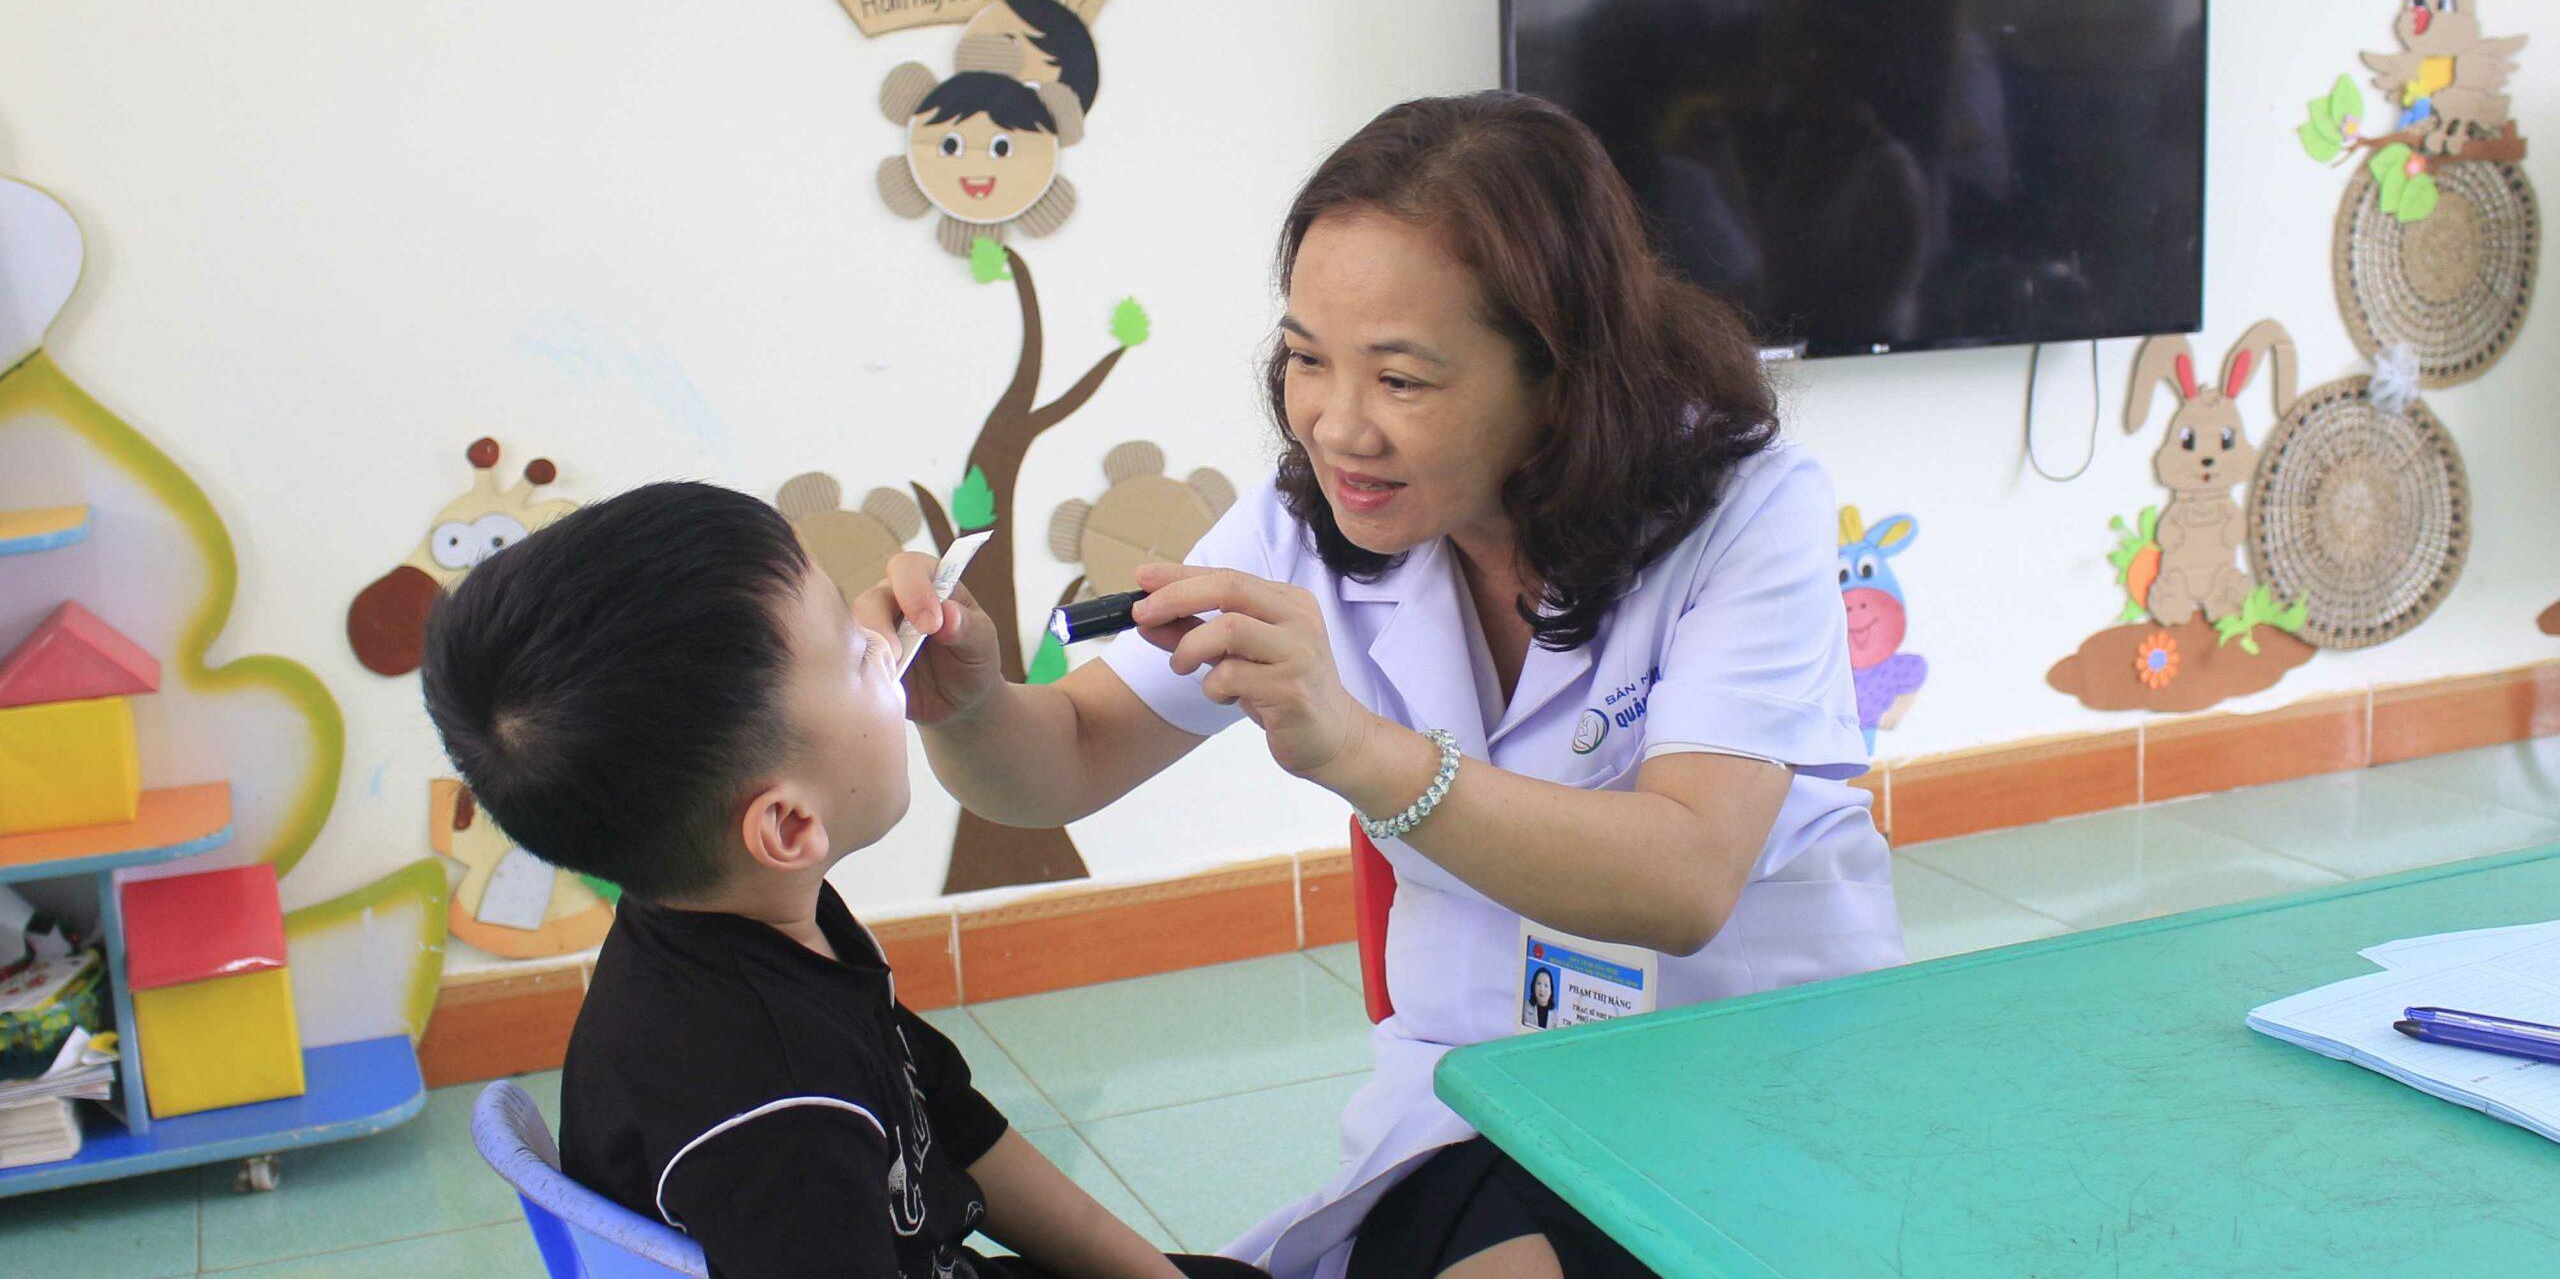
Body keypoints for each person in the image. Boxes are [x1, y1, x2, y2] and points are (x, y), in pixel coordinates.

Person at [867, 91, 1904, 1279]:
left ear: (1558, 373)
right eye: (1307, 359)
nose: (1336, 427)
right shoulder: (1309, 520)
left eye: (1401, 380)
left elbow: (1684, 878)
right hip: (1477, 1097)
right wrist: (969, 704)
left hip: (1749, 1079)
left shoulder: (1744, 507)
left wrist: (1358, 748)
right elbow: (1065, 758)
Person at [419, 482, 1264, 1279]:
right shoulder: (778, 1123)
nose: (884, 638)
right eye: (857, 654)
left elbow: (953, 1128)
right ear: (789, 826)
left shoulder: (734, 920)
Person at [1520, 965, 1559, 1030]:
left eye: (1546, 985)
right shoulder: (1524, 1007)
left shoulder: (1557, 1015)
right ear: (1533, 986)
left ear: (1551, 990)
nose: (1542, 989)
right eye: (1539, 984)